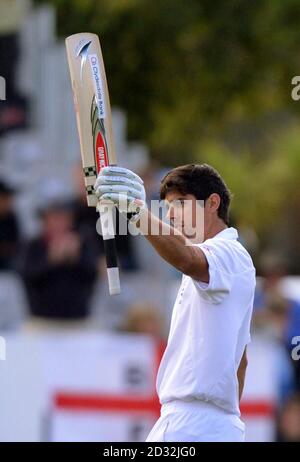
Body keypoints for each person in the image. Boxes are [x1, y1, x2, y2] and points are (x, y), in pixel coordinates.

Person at [95, 163, 256, 442]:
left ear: (213, 203)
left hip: (194, 425)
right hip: (206, 423)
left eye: (181, 203)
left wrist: (135, 211)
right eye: (168, 206)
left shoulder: (228, 253)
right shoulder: (220, 262)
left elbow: (185, 258)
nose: (171, 213)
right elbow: (240, 360)